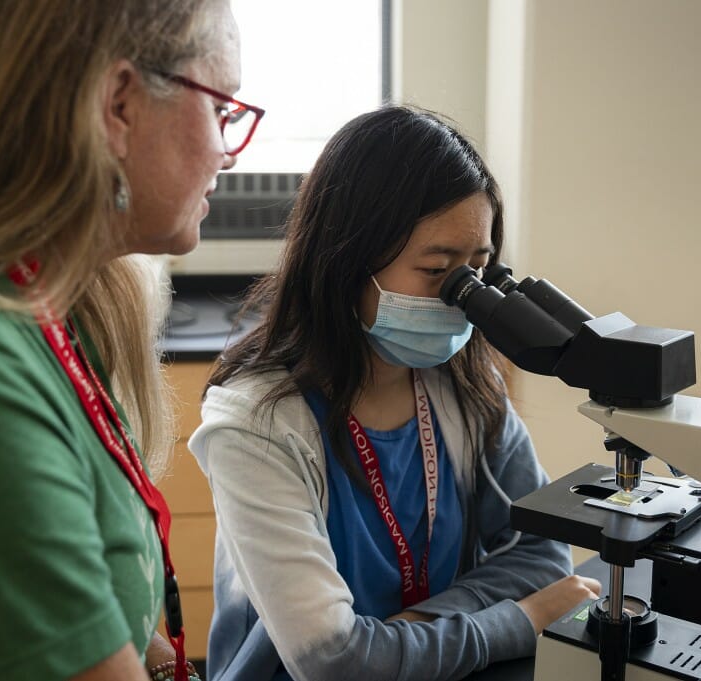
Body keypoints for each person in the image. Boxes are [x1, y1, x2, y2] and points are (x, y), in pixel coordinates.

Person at [189, 105, 602, 681]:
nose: (462, 295)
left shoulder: (467, 387)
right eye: (437, 271)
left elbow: (543, 553)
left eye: (476, 270)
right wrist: (517, 620)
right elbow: (332, 660)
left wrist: (413, 631)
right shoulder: (256, 426)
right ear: (348, 261)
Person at [0, 1, 263, 679]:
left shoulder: (64, 308)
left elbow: (112, 612)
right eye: (222, 107)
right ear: (119, 106)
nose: (227, 149)